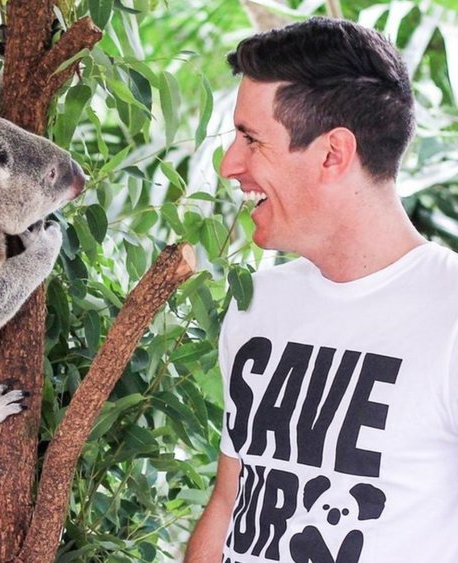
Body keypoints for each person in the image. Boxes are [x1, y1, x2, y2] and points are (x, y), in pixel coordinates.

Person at [185, 17, 458, 563]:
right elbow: (230, 499)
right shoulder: (257, 305)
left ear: (333, 154)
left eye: (251, 139)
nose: (228, 165)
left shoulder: (449, 314)